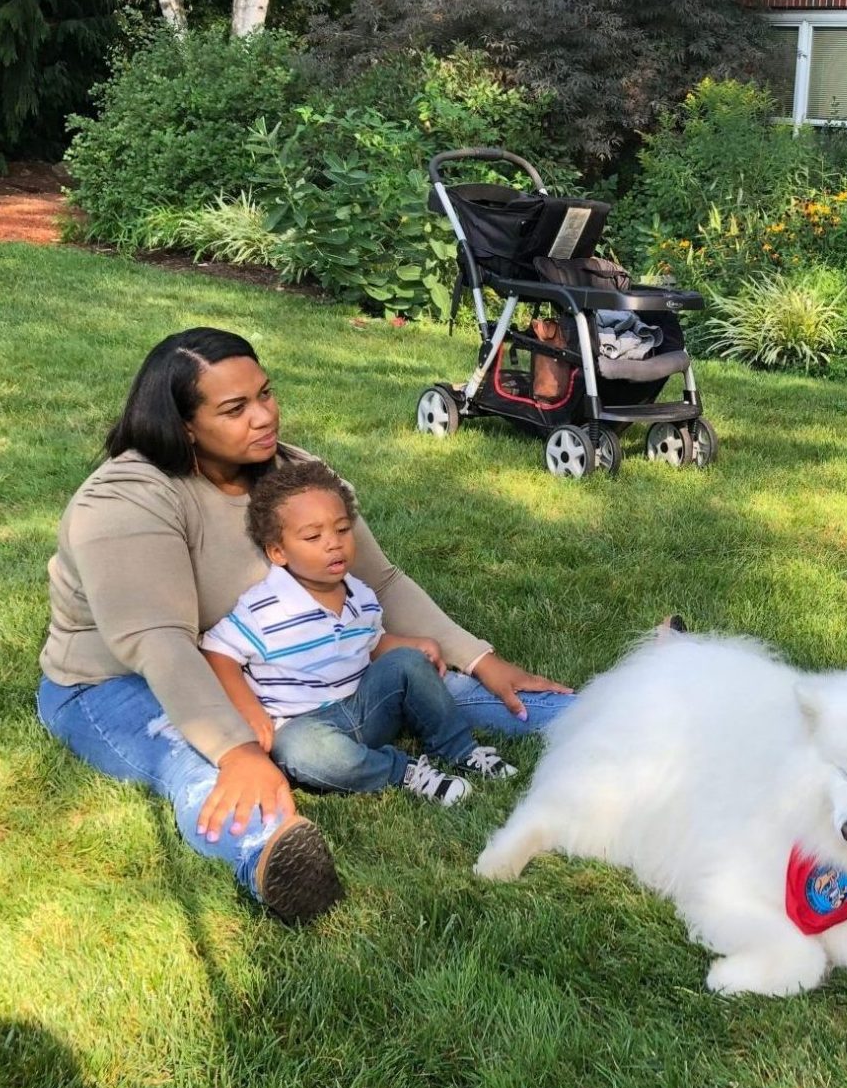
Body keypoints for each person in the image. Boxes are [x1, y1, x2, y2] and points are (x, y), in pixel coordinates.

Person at [38, 328, 575, 924]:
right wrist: (238, 748)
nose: (265, 417)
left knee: (448, 683)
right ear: (184, 425)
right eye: (235, 409)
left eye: (265, 395)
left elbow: (383, 582)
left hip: (294, 655)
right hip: (121, 680)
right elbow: (157, 642)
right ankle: (272, 853)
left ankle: (616, 718)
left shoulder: (294, 476)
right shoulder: (127, 499)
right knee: (202, 764)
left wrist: (480, 657)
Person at [201, 459, 519, 812]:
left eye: (341, 530)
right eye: (312, 536)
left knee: (408, 663)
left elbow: (369, 645)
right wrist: (247, 709)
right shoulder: (264, 608)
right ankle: (404, 773)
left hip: (366, 707)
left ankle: (461, 749)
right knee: (298, 751)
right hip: (305, 726)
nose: (333, 544)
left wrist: (410, 648)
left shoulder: (359, 594)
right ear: (278, 552)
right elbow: (218, 652)